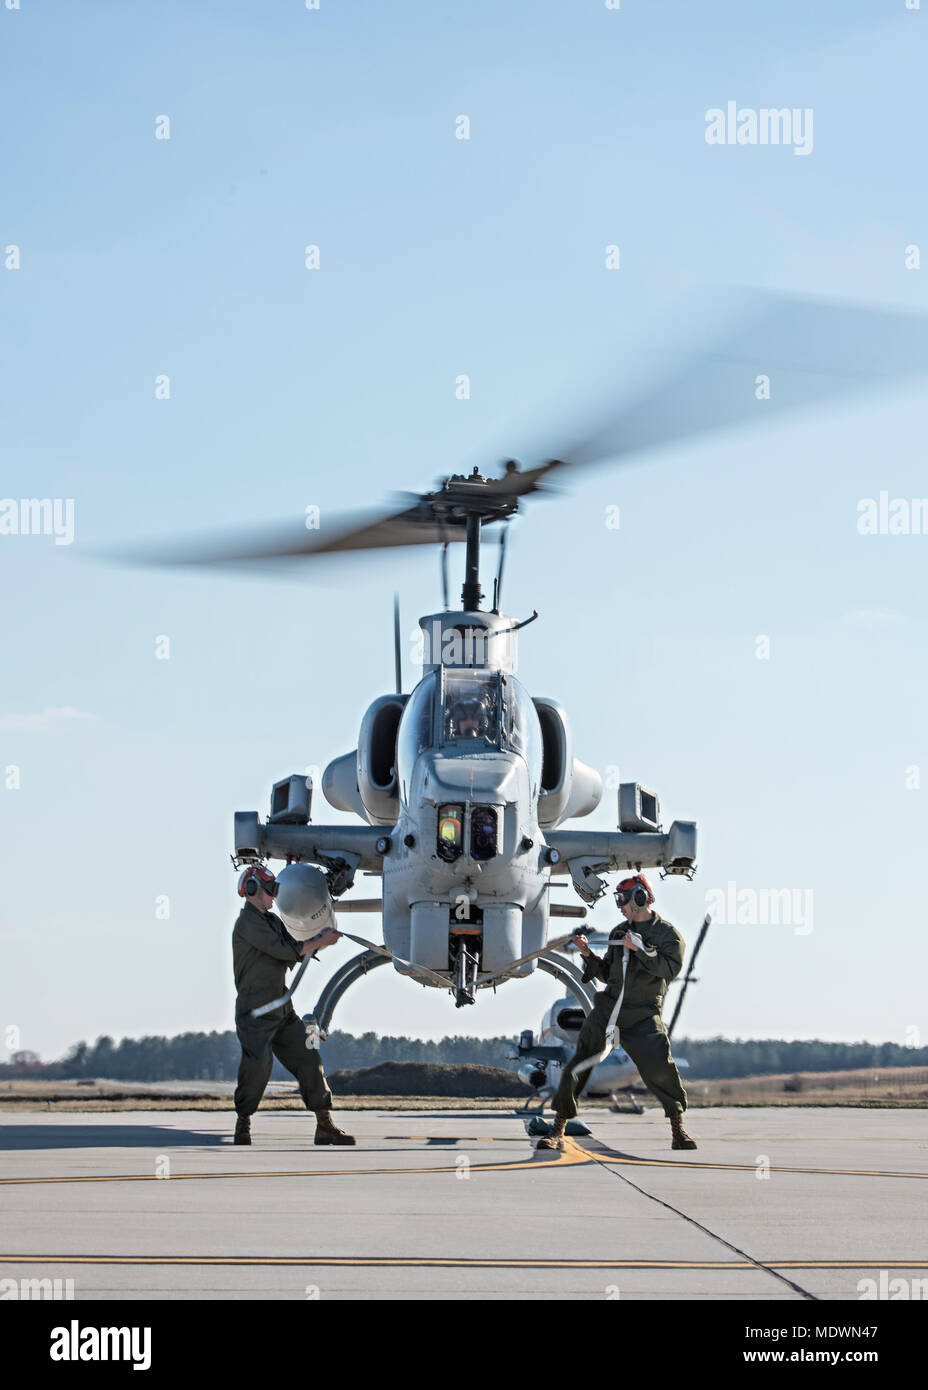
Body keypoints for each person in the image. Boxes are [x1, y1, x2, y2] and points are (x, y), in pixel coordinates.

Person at [536, 874, 697, 1152]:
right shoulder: (619, 933)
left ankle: (678, 1130)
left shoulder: (668, 936)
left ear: (640, 898)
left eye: (622, 900)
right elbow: (608, 974)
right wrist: (587, 955)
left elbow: (669, 970)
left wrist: (642, 951)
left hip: (643, 1014)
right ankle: (558, 1129)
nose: (620, 906)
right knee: (578, 1065)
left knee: (660, 1067)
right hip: (608, 1009)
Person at [232, 864, 355, 1146]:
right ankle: (243, 1124)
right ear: (252, 891)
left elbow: (295, 948)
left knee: (310, 1056)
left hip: (282, 1009)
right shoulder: (247, 923)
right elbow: (285, 950)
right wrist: (317, 941)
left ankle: (325, 1125)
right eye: (270, 891)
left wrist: (320, 940)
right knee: (258, 1066)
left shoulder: (272, 922)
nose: (274, 897)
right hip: (256, 1012)